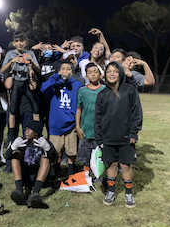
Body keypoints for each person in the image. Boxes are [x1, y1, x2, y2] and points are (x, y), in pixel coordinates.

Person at [94, 61, 143, 208]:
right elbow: (98, 117)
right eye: (109, 71)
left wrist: (133, 132)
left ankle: (128, 193)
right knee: (112, 164)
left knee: (125, 165)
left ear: (120, 72)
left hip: (126, 137)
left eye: (115, 71)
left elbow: (137, 113)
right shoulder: (102, 94)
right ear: (105, 74)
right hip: (108, 137)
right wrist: (99, 138)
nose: (112, 74)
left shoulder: (129, 90)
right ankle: (111, 191)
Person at [41, 61, 82, 176]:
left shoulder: (76, 84)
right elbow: (43, 89)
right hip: (56, 124)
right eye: (62, 69)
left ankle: (70, 173)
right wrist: (55, 78)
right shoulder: (54, 83)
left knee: (71, 151)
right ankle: (54, 173)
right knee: (55, 151)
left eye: (68, 69)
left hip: (71, 124)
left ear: (72, 72)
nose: (65, 71)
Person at [1, 31, 41, 143]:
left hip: (27, 83)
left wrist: (31, 61)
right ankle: (11, 136)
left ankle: (38, 133)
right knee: (12, 110)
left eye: (21, 41)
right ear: (13, 43)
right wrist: (12, 61)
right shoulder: (10, 54)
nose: (19, 44)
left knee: (35, 108)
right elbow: (2, 70)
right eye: (17, 41)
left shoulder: (30, 53)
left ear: (26, 43)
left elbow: (39, 70)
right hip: (16, 83)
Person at [6, 120, 56, 208]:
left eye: (29, 130)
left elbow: (54, 160)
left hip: (39, 177)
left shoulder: (45, 143)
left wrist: (48, 150)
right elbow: (7, 157)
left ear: (36, 132)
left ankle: (35, 194)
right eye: (25, 129)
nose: (26, 132)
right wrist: (12, 148)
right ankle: (19, 191)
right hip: (25, 176)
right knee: (16, 154)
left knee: (45, 157)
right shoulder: (22, 142)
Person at [76, 63, 105, 171]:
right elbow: (78, 110)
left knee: (100, 155)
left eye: (95, 72)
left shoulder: (105, 90)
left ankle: (99, 175)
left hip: (100, 131)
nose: (93, 74)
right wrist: (78, 127)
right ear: (86, 76)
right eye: (90, 72)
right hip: (85, 130)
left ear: (100, 75)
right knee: (85, 156)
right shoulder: (82, 91)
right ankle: (86, 175)